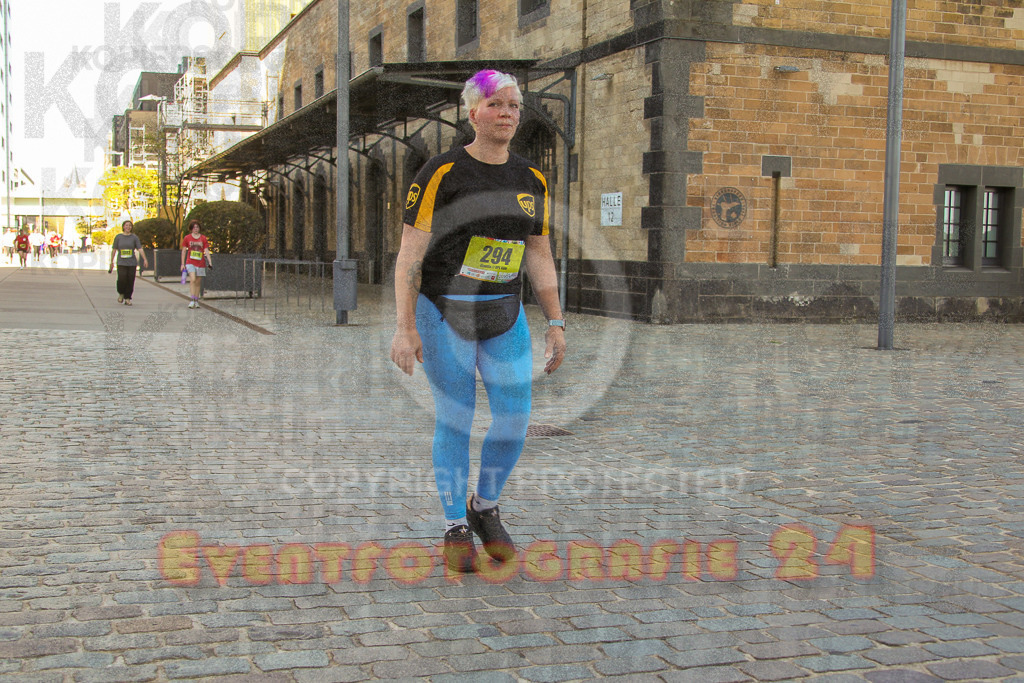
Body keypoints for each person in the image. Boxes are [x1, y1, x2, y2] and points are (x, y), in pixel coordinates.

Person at [390, 69, 567, 573]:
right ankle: (454, 526)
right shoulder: (441, 173)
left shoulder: (532, 178)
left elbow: (539, 253)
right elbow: (408, 256)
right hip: (444, 309)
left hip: (503, 310)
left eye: (514, 106)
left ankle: (484, 506)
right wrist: (405, 327)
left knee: (514, 419)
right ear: (473, 114)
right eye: (497, 105)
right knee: (457, 418)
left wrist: (555, 322)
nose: (507, 114)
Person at [108, 220, 148, 305]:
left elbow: (140, 248)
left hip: (132, 263)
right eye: (126, 225)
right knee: (122, 279)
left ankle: (127, 298)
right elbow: (114, 249)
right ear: (123, 227)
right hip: (121, 262)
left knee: (130, 280)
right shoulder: (118, 237)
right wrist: (111, 261)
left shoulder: (134, 237)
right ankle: (121, 293)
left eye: (130, 226)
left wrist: (145, 259)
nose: (128, 227)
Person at [180, 219, 212, 309]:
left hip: (201, 263)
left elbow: (206, 250)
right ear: (191, 229)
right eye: (194, 227)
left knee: (198, 282)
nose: (196, 229)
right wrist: (182, 264)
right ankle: (192, 300)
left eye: (197, 227)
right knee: (193, 279)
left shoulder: (203, 238)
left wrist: (210, 261)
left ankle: (196, 300)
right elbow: (183, 251)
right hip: (190, 262)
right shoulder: (187, 238)